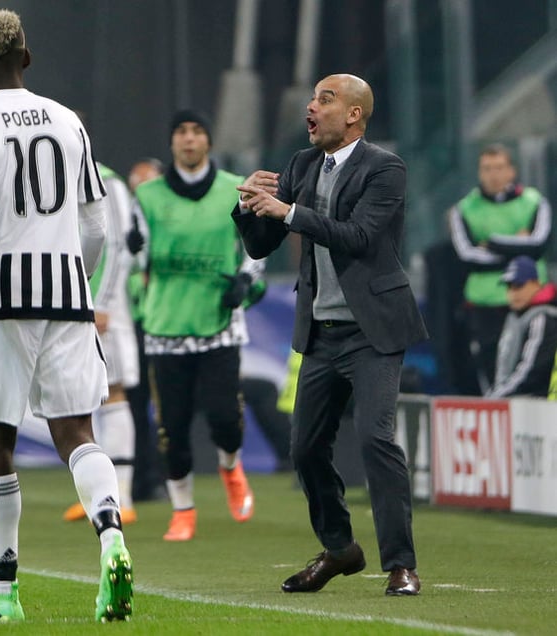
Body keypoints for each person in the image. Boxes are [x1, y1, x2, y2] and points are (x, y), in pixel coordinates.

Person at [0, 10, 132, 623]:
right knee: (78, 433)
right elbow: (97, 225)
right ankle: (111, 539)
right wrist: (83, 282)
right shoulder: (69, 121)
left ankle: (5, 597)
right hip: (67, 296)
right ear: (28, 55)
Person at [234, 73, 427, 596]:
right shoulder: (300, 165)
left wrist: (292, 211)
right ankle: (341, 548)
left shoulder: (385, 169)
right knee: (306, 449)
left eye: (325, 98)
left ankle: (401, 565)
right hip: (321, 332)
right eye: (312, 98)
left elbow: (361, 237)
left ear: (354, 115)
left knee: (375, 440)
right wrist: (249, 204)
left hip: (373, 331)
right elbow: (260, 246)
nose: (310, 108)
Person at [130, 109, 262, 542]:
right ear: (172, 143)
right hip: (166, 327)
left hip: (218, 324)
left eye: (197, 131)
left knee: (225, 418)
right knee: (173, 428)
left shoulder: (234, 189)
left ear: (208, 141)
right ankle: (183, 510)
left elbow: (257, 247)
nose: (189, 140)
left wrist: (246, 280)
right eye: (181, 132)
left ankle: (230, 466)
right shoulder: (147, 196)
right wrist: (133, 252)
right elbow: (132, 258)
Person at [62, 162, 139, 525]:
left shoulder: (109, 181)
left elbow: (120, 243)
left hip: (103, 306)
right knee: (84, 393)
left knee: (114, 390)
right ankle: (99, 495)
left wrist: (103, 301)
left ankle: (123, 495)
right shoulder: (55, 176)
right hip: (71, 303)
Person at [450, 144, 552, 394]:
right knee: (493, 372)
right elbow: (467, 256)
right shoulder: (463, 209)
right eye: (487, 168)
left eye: (499, 168)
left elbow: (538, 244)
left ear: (511, 171)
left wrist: (493, 243)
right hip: (485, 305)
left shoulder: (534, 202)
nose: (493, 174)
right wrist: (518, 245)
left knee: (535, 367)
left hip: (532, 301)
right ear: (479, 172)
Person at [125, 157, 165, 502]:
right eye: (135, 187)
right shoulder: (125, 225)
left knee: (165, 405)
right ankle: (142, 478)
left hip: (166, 324)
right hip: (135, 325)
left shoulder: (168, 221)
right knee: (134, 404)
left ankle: (165, 475)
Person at [485, 255, 557, 398]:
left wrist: (496, 398)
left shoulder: (542, 318)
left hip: (536, 405)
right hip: (513, 400)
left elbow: (530, 370)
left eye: (519, 286)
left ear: (535, 283)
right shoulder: (513, 316)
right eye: (509, 287)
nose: (513, 293)